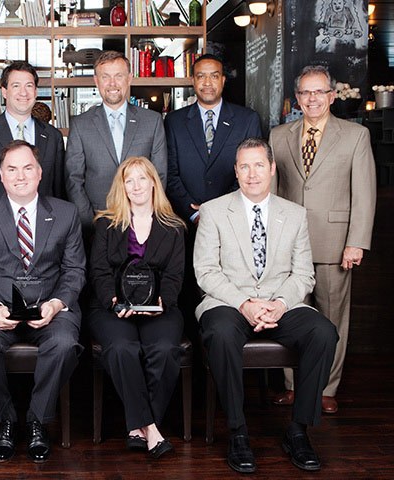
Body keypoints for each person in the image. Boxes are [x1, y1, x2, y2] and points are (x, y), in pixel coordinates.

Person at [194, 138, 338, 474]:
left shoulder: (295, 214)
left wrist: (280, 303)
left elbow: (303, 274)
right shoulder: (213, 211)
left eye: (259, 165)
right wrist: (244, 303)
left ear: (272, 169)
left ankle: (298, 430)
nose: (252, 174)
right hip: (229, 301)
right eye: (244, 166)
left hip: (280, 302)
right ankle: (237, 431)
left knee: (323, 332)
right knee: (221, 333)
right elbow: (206, 271)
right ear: (235, 171)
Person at [0, 140, 85, 463]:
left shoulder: (66, 213)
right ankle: (6, 420)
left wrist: (56, 304)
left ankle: (36, 420)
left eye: (28, 168)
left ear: (40, 172)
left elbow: (74, 271)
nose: (20, 176)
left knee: (65, 344)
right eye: (12, 169)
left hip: (50, 307)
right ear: (1, 175)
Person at [270, 65, 376, 414]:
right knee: (289, 317)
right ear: (297, 98)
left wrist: (356, 241)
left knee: (331, 320)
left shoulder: (355, 136)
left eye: (319, 92)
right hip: (288, 246)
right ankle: (293, 386)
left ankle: (326, 388)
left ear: (331, 96)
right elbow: (272, 193)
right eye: (305, 92)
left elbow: (364, 194)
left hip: (335, 244)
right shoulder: (279, 135)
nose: (312, 98)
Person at [88, 156, 186, 459]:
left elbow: (175, 275)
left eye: (142, 178)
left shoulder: (174, 227)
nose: (136, 186)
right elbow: (99, 271)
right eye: (128, 180)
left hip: (159, 306)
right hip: (112, 307)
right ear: (122, 187)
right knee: (121, 348)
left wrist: (161, 302)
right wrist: (114, 301)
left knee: (166, 349)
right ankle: (152, 430)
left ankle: (137, 427)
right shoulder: (105, 223)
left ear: (154, 182)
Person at [65, 51, 167, 231]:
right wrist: (89, 222)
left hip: (142, 223)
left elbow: (159, 175)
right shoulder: (80, 124)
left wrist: (146, 217)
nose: (112, 83)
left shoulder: (152, 121)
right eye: (105, 77)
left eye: (118, 76)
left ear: (129, 78)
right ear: (96, 81)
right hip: (97, 221)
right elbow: (73, 179)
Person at [165, 53, 262, 225]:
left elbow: (252, 172)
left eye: (214, 76)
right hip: (187, 222)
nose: (207, 83)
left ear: (223, 80)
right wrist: (193, 213)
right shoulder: (174, 121)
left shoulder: (247, 120)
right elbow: (170, 174)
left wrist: (221, 210)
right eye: (201, 76)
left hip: (234, 219)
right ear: (193, 81)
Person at [0, 61, 65, 209]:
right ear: (4, 92)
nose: (23, 93)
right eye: (16, 86)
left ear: (36, 92)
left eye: (29, 86)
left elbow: (59, 194)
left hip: (44, 221)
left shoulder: (53, 137)